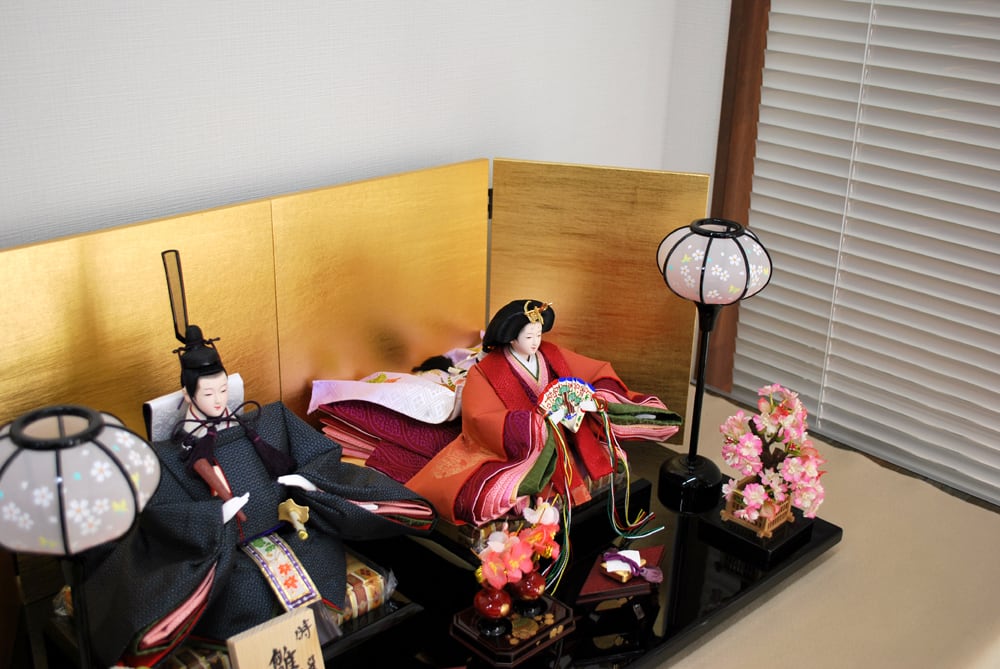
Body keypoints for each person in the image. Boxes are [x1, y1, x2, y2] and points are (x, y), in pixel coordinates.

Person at [81, 325, 437, 667]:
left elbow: (319, 458)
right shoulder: (167, 457)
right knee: (240, 590)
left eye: (223, 391)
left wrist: (307, 482)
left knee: (320, 550)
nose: (219, 401)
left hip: (291, 534)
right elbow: (162, 515)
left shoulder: (268, 422)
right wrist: (215, 516)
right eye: (208, 394)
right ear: (189, 396)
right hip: (230, 556)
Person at [406, 299, 680, 526]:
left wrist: (590, 400)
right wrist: (536, 425)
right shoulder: (485, 372)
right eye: (529, 336)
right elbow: (481, 416)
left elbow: (593, 372)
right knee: (508, 494)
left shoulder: (551, 353)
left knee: (607, 457)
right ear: (511, 337)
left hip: (570, 433)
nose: (536, 341)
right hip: (529, 446)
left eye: (538, 335)